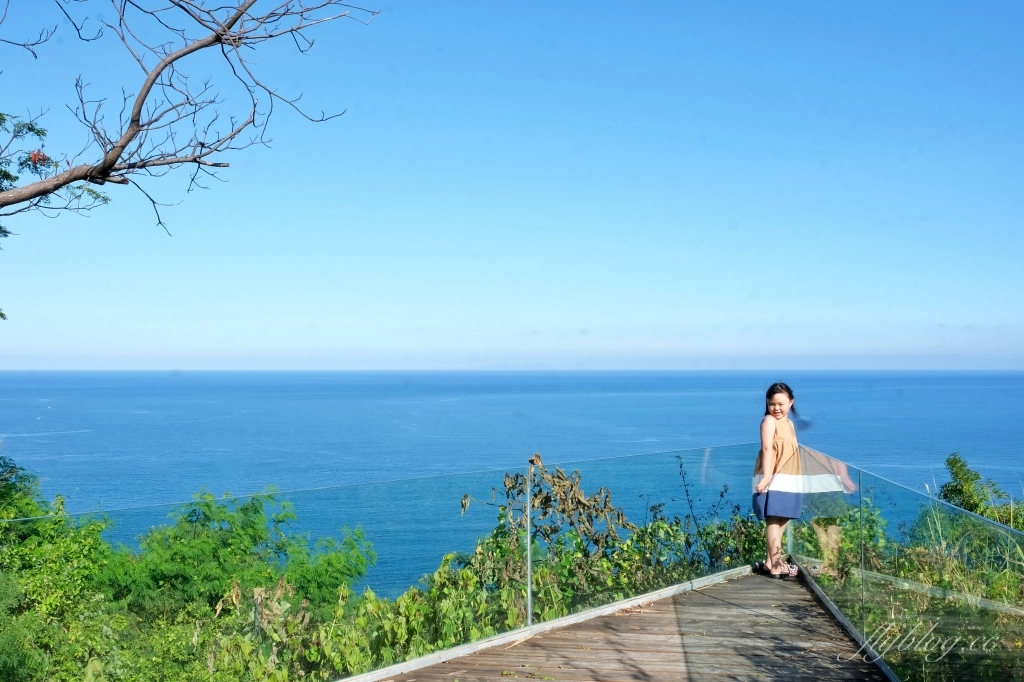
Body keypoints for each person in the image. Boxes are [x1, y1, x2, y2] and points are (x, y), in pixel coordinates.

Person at [752, 382, 802, 578]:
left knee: (784, 517)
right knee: (774, 517)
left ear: (791, 402)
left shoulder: (789, 424)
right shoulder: (768, 421)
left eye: (781, 404)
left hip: (789, 474)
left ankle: (768, 562)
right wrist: (767, 476)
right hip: (774, 474)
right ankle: (776, 563)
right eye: (772, 404)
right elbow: (767, 449)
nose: (776, 408)